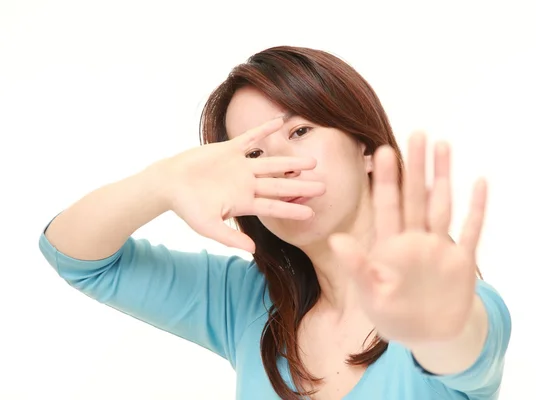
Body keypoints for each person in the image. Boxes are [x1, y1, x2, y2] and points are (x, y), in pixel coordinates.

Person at [38, 46, 511, 399]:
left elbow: (463, 347)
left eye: (300, 131)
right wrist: (163, 180)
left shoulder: (449, 301)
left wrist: (439, 325)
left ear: (364, 147)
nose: (278, 164)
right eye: (253, 153)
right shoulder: (247, 303)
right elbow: (76, 256)